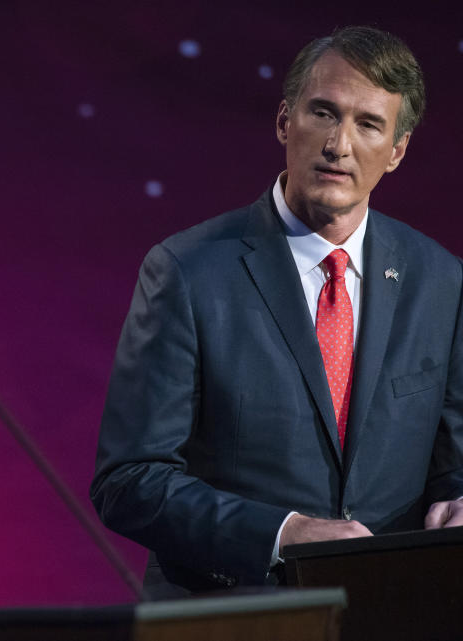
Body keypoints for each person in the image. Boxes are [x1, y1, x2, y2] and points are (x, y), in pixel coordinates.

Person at [90, 26, 463, 592]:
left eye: (368, 124)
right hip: (233, 613)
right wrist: (280, 534)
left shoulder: (439, 279)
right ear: (285, 122)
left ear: (397, 150)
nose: (339, 144)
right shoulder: (188, 272)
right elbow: (129, 479)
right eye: (323, 113)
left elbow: (452, 460)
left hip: (391, 610)